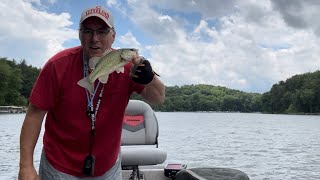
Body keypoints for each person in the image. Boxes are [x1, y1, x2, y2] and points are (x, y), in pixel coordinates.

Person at [18, 5, 165, 180]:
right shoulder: (58, 65)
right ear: (79, 34)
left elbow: (158, 98)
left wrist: (149, 78)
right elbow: (34, 114)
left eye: (102, 31)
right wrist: (26, 165)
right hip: (59, 167)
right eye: (88, 31)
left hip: (107, 167)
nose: (95, 39)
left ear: (113, 36)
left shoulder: (129, 68)